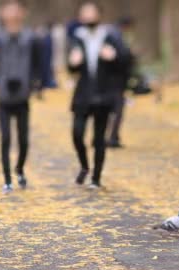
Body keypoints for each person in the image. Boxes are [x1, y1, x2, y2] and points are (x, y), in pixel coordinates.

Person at [67, 2, 131, 189]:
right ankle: (85, 166)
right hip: (83, 95)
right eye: (84, 13)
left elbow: (126, 60)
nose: (87, 16)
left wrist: (114, 57)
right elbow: (71, 67)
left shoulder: (110, 35)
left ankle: (96, 177)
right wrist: (73, 63)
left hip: (103, 95)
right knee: (77, 134)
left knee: (98, 138)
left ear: (99, 15)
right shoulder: (78, 37)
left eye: (90, 12)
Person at [0, 0, 43, 193]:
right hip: (4, 96)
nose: (11, 13)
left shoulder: (31, 38)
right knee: (5, 138)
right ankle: (6, 178)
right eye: (7, 9)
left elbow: (38, 64)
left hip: (23, 96)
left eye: (15, 9)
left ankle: (19, 169)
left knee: (24, 139)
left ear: (23, 12)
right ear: (2, 13)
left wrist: (35, 84)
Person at [106, 16, 135, 148]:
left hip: (111, 79)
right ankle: (112, 137)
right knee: (117, 109)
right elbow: (123, 57)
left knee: (109, 109)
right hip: (117, 79)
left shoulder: (110, 34)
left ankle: (107, 136)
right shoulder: (117, 36)